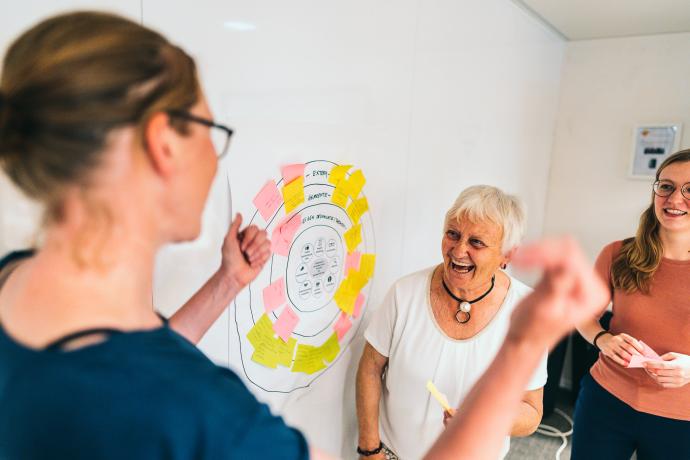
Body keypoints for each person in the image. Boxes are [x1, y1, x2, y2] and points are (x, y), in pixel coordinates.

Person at [0, 11, 608, 460]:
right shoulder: (209, 417)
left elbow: (133, 351)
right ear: (164, 145)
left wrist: (225, 285)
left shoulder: (15, 275)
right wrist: (522, 349)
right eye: (213, 132)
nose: (216, 159)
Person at [356, 185, 547, 459]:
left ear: (508, 255)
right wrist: (369, 449)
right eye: (453, 234)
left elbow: (530, 411)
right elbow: (370, 369)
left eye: (476, 242)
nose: (458, 251)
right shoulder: (404, 293)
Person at [572, 149, 690, 460]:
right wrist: (603, 339)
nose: (675, 199)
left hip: (682, 421)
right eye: (665, 186)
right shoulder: (617, 254)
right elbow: (583, 316)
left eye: (689, 189)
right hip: (606, 401)